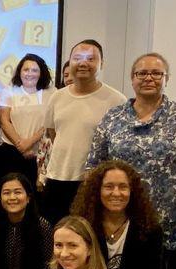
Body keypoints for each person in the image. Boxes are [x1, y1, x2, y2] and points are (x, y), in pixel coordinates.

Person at [86, 52, 176, 269]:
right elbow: (93, 166)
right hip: (118, 220)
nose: (149, 78)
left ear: (166, 79)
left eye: (156, 73)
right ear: (132, 79)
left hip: (167, 222)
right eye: (142, 73)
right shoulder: (113, 117)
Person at [42, 39, 126, 225]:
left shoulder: (116, 100)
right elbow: (53, 132)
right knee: (56, 231)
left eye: (90, 59)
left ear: (101, 63)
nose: (83, 63)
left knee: (89, 233)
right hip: (57, 177)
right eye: (77, 58)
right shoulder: (57, 97)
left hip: (92, 182)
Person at [0, 53, 55, 189]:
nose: (30, 74)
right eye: (26, 69)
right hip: (10, 151)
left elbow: (51, 123)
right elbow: (4, 121)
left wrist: (28, 143)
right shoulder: (8, 91)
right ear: (19, 72)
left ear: (41, 73)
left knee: (37, 194)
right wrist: (21, 147)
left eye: (35, 70)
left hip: (41, 153)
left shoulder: (52, 93)